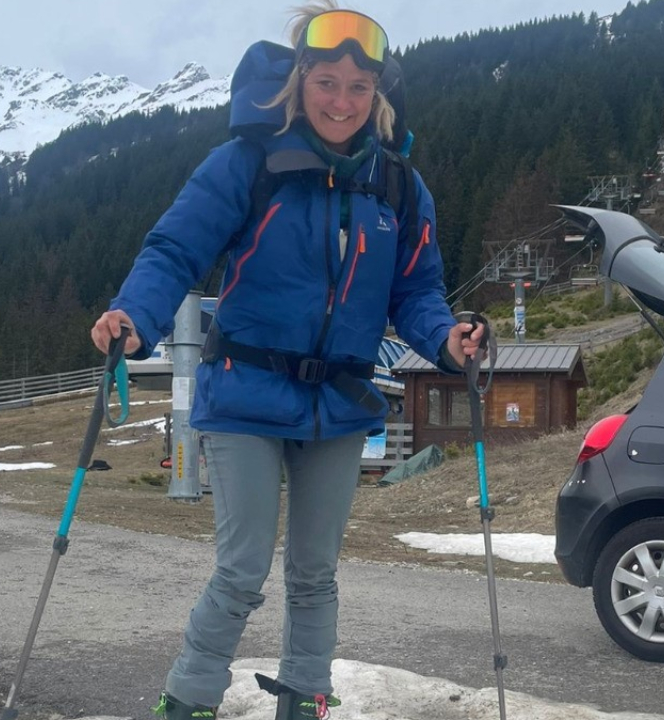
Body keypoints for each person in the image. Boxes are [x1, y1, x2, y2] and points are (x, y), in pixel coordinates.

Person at [90, 4, 483, 720]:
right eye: (327, 81)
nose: (341, 102)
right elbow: (175, 250)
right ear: (299, 80)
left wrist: (449, 341)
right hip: (243, 396)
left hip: (337, 406)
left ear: (378, 98)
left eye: (359, 89)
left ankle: (305, 702)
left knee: (315, 574)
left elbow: (418, 291)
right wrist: (133, 318)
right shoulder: (248, 163)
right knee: (241, 570)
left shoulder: (397, 188)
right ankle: (189, 701)